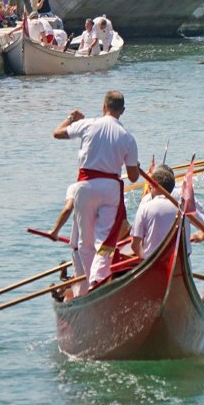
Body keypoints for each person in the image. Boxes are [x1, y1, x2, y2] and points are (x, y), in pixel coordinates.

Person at [52, 91, 140, 297]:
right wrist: (135, 164)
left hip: (85, 186)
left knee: (85, 240)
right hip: (110, 188)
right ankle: (97, 279)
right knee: (106, 239)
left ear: (103, 107)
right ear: (123, 111)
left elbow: (57, 133)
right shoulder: (128, 138)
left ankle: (90, 279)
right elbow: (134, 177)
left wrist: (71, 117)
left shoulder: (88, 124)